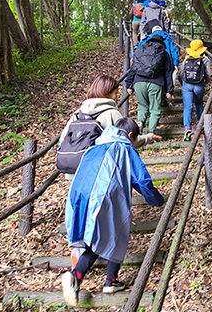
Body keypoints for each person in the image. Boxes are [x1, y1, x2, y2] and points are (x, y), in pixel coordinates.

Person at [61, 118, 165, 306]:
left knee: (98, 237)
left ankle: (95, 278)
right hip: (104, 195)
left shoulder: (94, 147)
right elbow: (142, 180)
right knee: (113, 232)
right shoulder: (125, 148)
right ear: (131, 136)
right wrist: (157, 200)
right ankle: (100, 279)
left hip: (78, 193)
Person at [124, 33, 175, 134]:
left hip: (139, 82)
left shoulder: (140, 50)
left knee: (142, 106)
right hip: (156, 83)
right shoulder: (164, 53)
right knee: (155, 110)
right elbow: (168, 72)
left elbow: (133, 68)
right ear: (161, 42)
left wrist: (129, 84)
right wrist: (169, 90)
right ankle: (151, 133)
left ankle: (139, 127)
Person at [179, 39, 212, 140]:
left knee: (187, 107)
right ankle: (200, 125)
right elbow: (209, 74)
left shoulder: (187, 58)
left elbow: (181, 72)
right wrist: (205, 82)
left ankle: (187, 128)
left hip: (187, 85)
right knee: (199, 103)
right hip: (199, 85)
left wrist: (182, 83)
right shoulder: (205, 59)